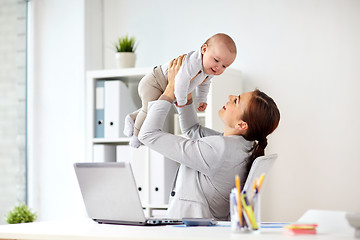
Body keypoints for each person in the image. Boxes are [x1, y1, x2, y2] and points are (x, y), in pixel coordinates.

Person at [138, 56, 281, 220]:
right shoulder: (242, 146)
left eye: (236, 101)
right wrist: (186, 93)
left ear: (242, 125)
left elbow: (148, 135)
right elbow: (192, 130)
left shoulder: (218, 150)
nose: (229, 97)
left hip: (190, 230)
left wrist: (170, 90)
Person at [124, 33, 237, 148]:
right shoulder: (194, 62)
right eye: (216, 60)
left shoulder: (208, 70)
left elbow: (205, 84)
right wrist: (182, 102)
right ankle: (136, 136)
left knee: (151, 109)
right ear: (204, 49)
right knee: (149, 111)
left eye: (224, 66)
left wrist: (202, 99)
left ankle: (132, 118)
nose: (218, 67)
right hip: (155, 82)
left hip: (165, 86)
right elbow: (181, 82)